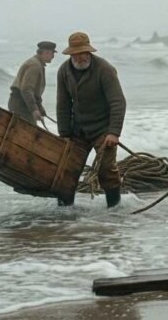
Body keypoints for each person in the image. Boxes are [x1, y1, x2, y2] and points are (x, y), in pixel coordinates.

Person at [56, 32, 127, 208]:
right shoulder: (63, 71)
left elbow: (118, 102)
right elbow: (63, 104)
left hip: (103, 129)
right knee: (67, 170)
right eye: (76, 54)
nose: (80, 57)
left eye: (83, 53)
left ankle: (114, 209)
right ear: (70, 54)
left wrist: (114, 132)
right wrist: (64, 134)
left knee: (106, 170)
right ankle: (64, 212)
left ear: (89, 51)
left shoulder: (104, 69)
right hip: (77, 130)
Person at [8, 41, 57, 124]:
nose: (53, 57)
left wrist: (40, 109)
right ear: (46, 53)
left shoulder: (36, 63)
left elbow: (34, 93)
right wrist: (34, 110)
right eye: (52, 53)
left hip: (21, 103)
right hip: (21, 104)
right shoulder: (35, 65)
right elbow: (26, 89)